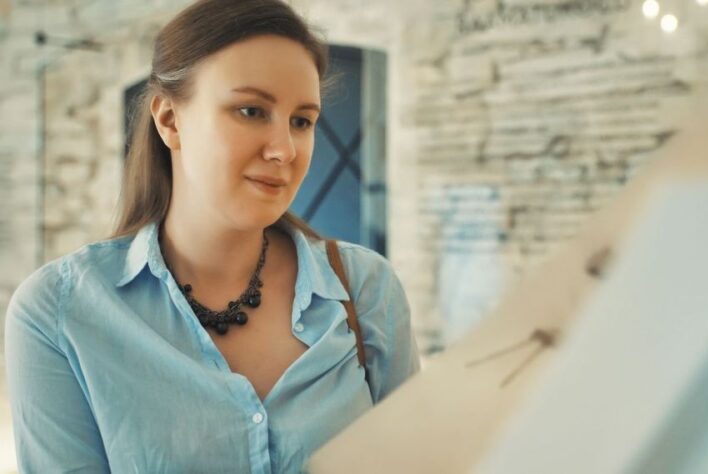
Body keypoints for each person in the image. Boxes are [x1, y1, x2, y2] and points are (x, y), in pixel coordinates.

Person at [3, 0, 420, 472]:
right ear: (168, 119)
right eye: (250, 110)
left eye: (301, 121)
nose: (284, 149)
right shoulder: (59, 314)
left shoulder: (367, 290)